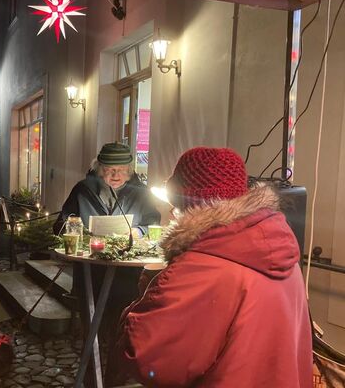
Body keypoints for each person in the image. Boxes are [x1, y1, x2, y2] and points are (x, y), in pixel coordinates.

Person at [106, 147, 312, 387]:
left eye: (174, 207)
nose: (172, 214)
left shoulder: (203, 266)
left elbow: (145, 357)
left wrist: (150, 290)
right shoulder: (281, 249)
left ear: (189, 207)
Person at [53, 142, 160, 386]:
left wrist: (138, 232)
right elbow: (60, 224)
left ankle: (115, 380)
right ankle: (91, 380)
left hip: (126, 279)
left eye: (121, 170)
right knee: (91, 333)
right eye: (110, 169)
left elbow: (153, 221)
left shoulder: (140, 193)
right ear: (99, 169)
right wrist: (75, 227)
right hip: (91, 275)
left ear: (130, 170)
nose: (115, 175)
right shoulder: (83, 190)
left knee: (121, 332)